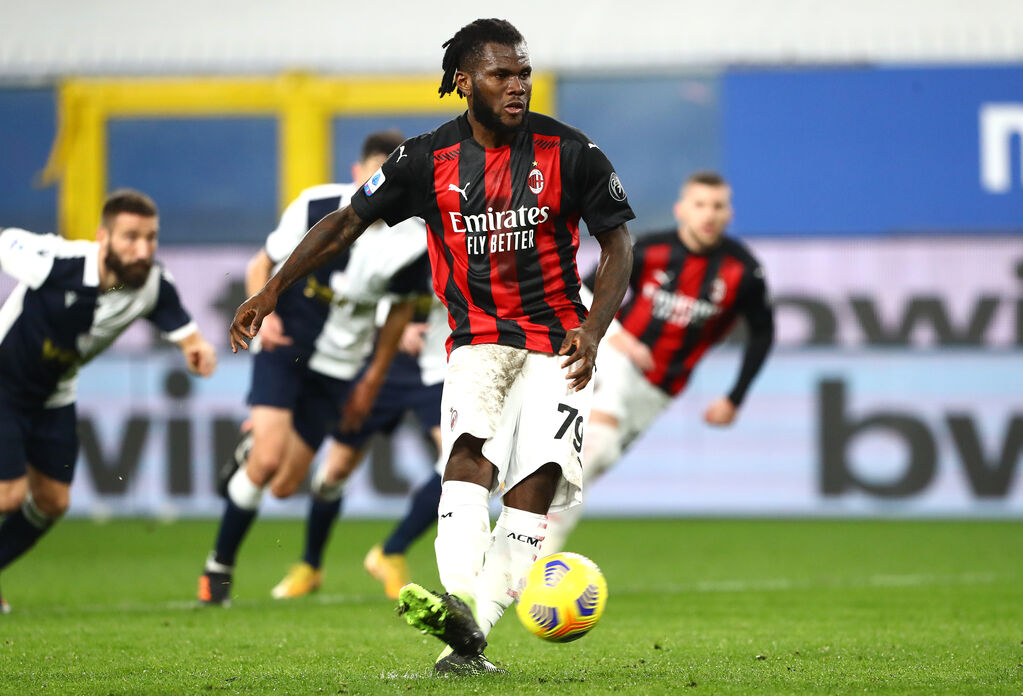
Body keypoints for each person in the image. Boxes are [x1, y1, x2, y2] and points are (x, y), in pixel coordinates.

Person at [228, 18, 635, 675]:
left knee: (534, 486)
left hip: (561, 341)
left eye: (523, 73)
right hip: (476, 339)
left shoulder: (571, 151)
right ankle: (460, 606)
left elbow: (616, 244)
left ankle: (466, 639)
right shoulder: (423, 161)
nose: (516, 85)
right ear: (463, 81)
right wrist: (273, 288)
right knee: (469, 457)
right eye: (501, 74)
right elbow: (343, 225)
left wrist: (592, 331)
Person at [198, 131, 430, 607]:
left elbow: (402, 312)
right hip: (287, 348)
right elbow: (261, 262)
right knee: (266, 465)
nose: (383, 188)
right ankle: (217, 570)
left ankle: (248, 450)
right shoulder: (316, 205)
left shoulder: (412, 241)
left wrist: (373, 378)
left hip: (340, 369)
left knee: (283, 487)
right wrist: (271, 314)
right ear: (357, 174)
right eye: (375, 176)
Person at [0, 190, 217, 613]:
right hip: (4, 382)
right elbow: (7, 239)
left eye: (151, 238)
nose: (143, 249)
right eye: (130, 237)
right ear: (103, 238)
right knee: (9, 494)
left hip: (54, 395)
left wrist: (199, 350)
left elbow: (187, 333)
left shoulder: (152, 284)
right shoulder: (59, 261)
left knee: (52, 502)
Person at [544, 171, 775, 553]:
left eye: (717, 206)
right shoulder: (651, 250)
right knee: (594, 446)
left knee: (589, 467)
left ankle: (527, 536)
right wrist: (619, 338)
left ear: (728, 214)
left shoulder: (743, 270)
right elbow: (584, 288)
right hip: (615, 358)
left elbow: (763, 333)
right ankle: (536, 554)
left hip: (661, 388)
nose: (709, 214)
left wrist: (734, 397)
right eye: (700, 204)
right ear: (681, 209)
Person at [271, 295, 449, 600]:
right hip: (384, 365)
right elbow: (365, 285)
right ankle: (310, 565)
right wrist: (394, 320)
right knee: (336, 468)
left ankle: (391, 551)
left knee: (456, 464)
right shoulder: (392, 248)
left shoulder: (459, 246)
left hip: (440, 365)